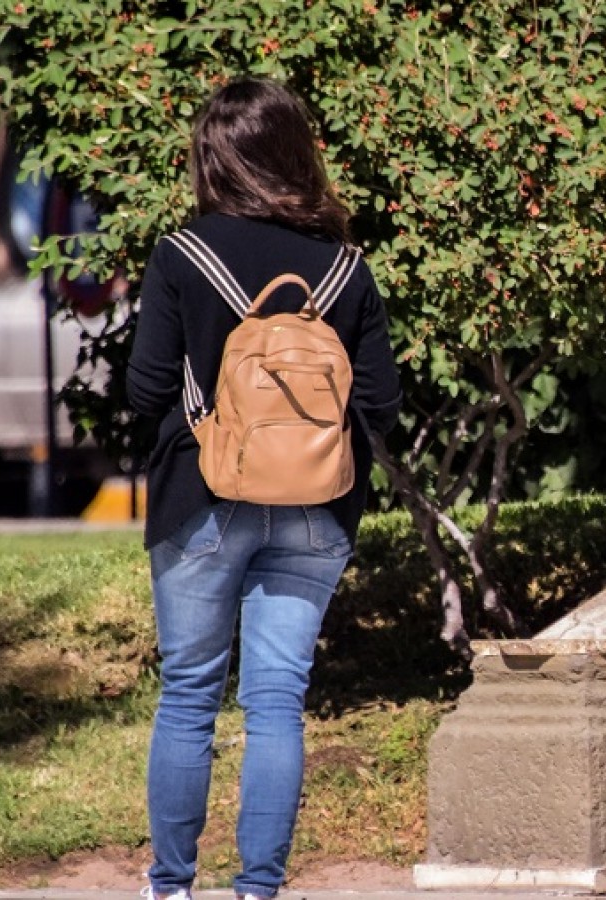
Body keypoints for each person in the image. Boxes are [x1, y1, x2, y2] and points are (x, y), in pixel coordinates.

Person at [127, 77, 402, 900]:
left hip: (202, 501)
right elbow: (381, 404)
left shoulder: (182, 256)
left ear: (214, 160)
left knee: (189, 697)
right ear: (296, 153)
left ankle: (171, 887)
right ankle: (258, 890)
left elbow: (145, 392)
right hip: (317, 508)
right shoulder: (347, 268)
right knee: (278, 699)